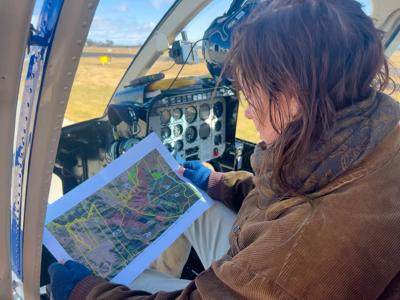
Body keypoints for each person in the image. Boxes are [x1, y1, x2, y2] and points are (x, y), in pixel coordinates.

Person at [48, 0, 400, 299]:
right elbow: (289, 196)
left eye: (251, 95)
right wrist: (219, 182)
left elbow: (293, 243)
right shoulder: (376, 128)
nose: (247, 110)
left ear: (293, 96)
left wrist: (87, 291)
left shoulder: (298, 252)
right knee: (193, 199)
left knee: (118, 279)